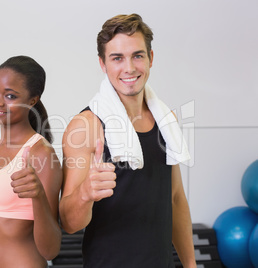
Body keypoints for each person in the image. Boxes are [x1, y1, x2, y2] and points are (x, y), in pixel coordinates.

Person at [59, 14, 197, 267]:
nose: (130, 68)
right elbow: (68, 223)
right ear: (102, 64)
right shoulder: (85, 127)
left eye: (137, 55)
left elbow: (176, 198)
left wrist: (190, 264)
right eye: (117, 58)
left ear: (151, 58)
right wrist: (86, 193)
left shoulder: (167, 120)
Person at [0, 55, 62, 268]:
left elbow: (51, 249)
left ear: (32, 100)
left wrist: (38, 195)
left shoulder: (41, 154)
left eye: (10, 96)